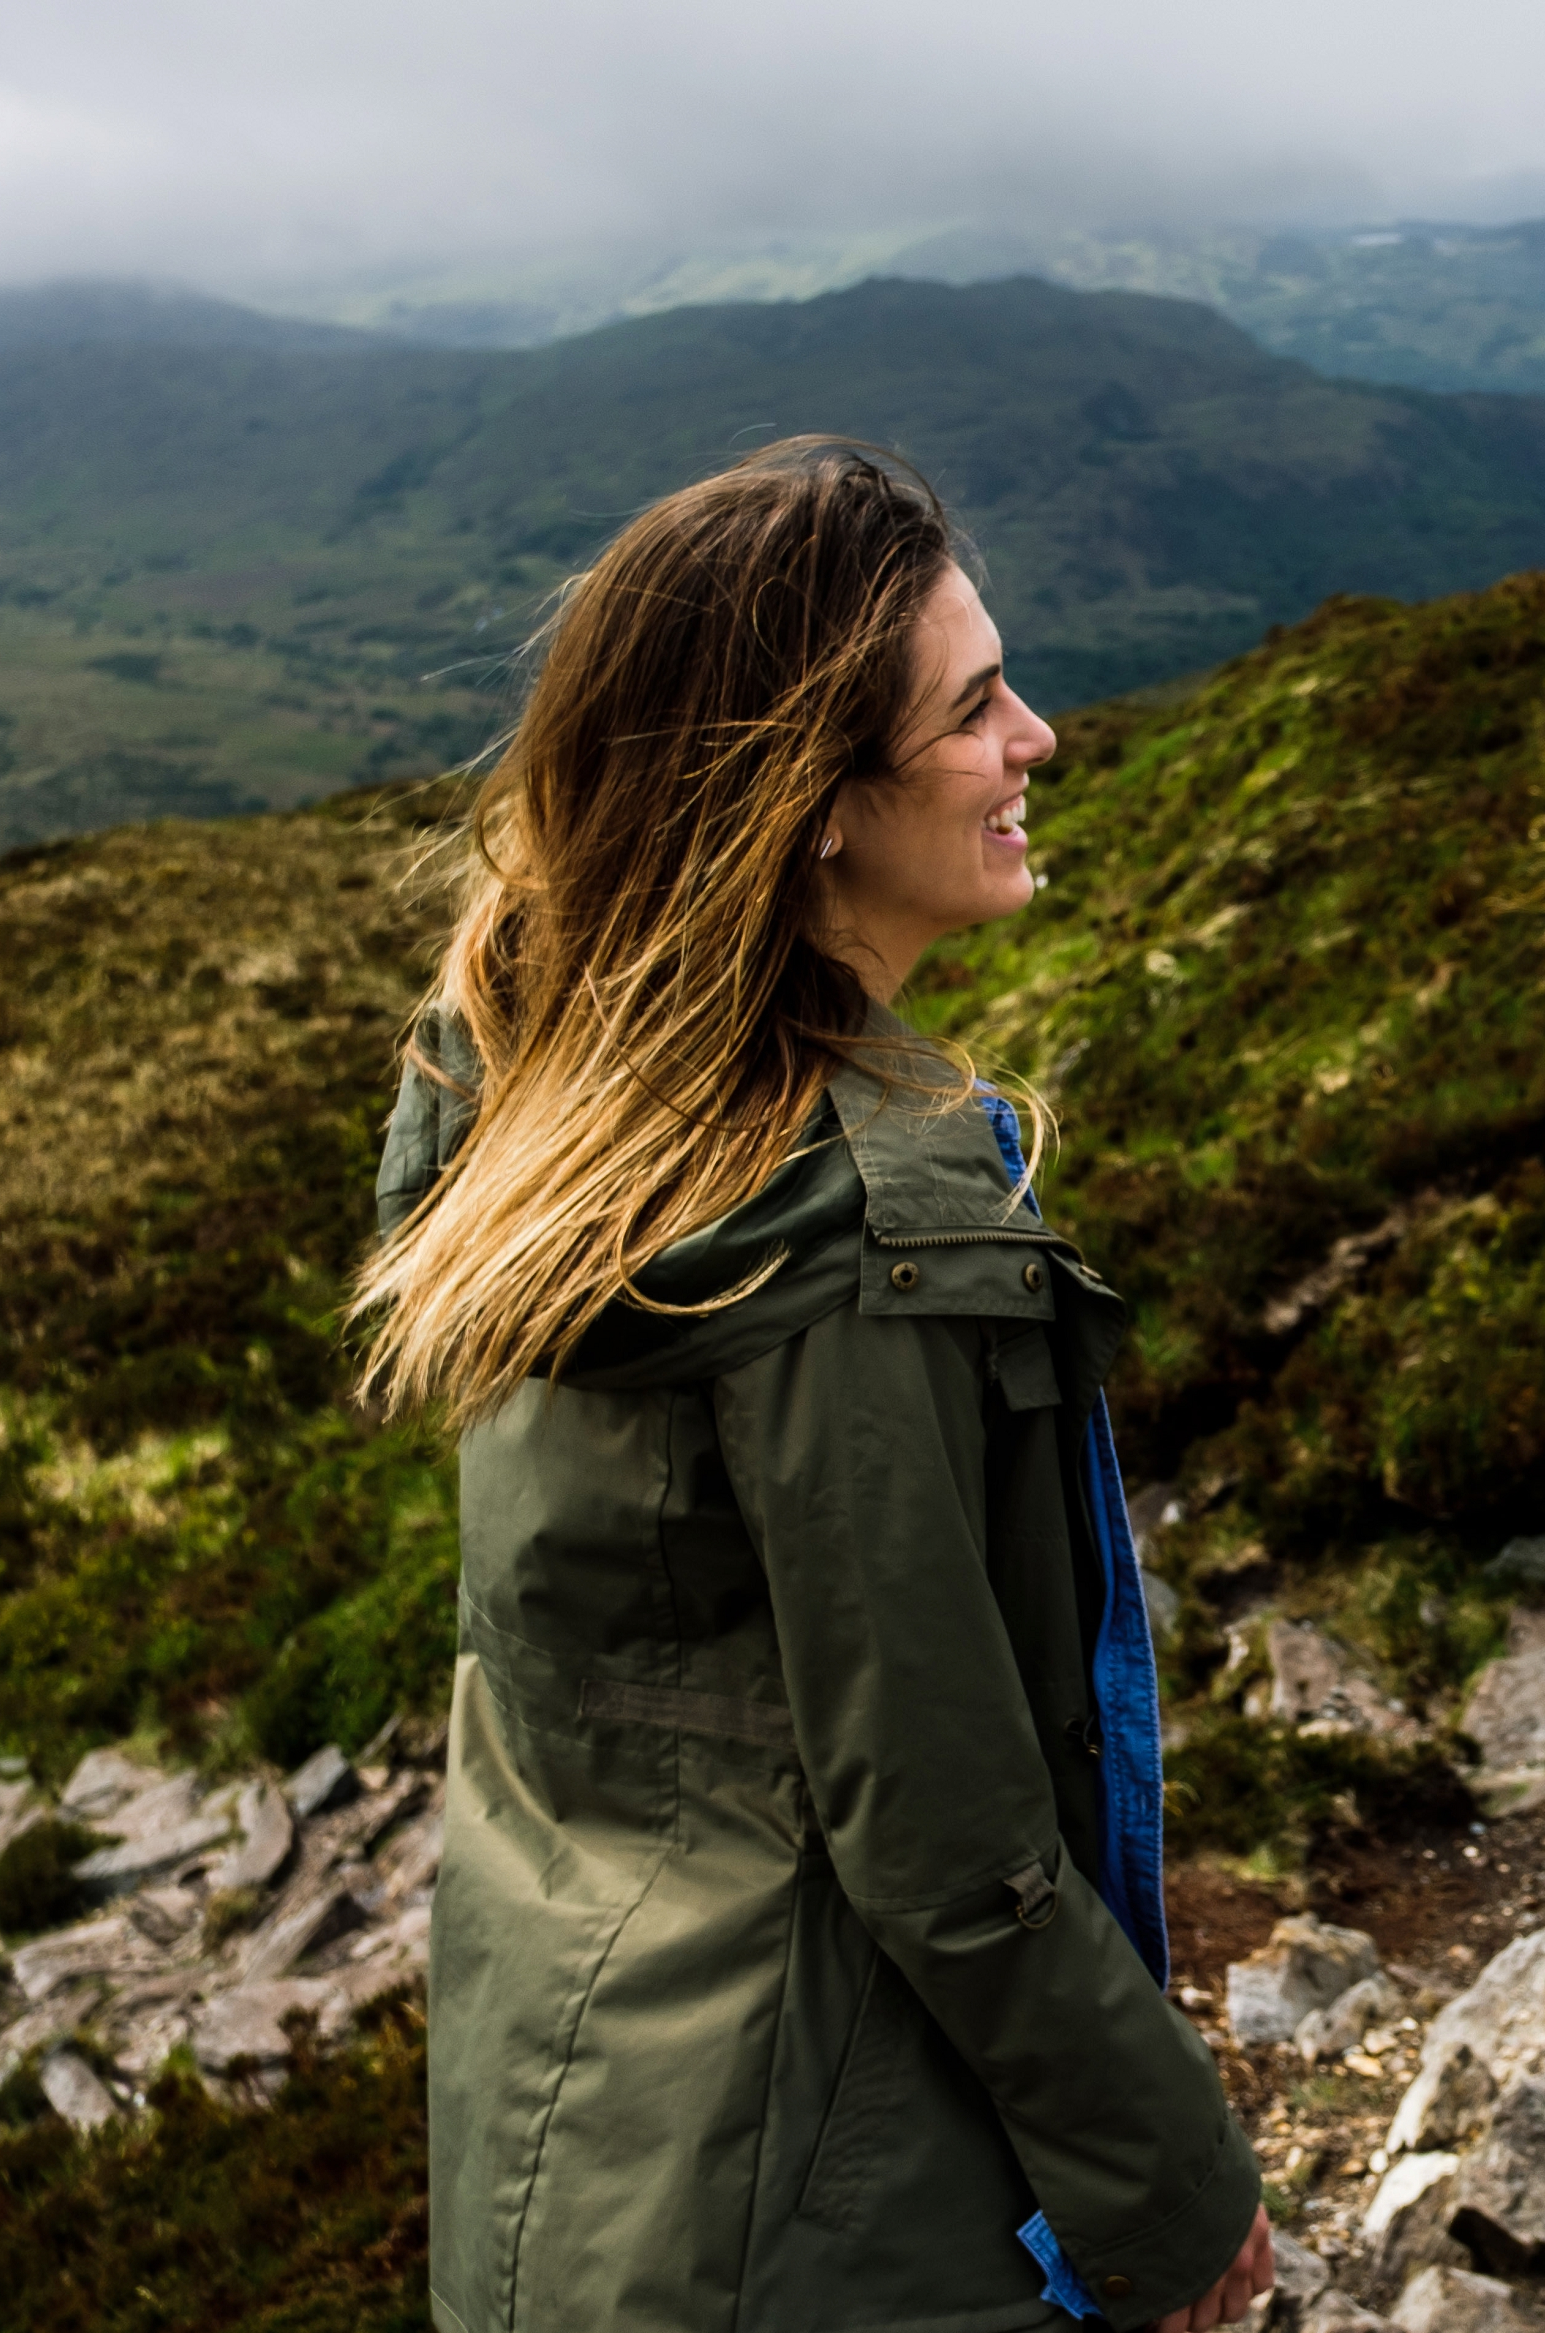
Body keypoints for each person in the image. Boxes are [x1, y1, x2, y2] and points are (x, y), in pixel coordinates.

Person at [356, 439, 1272, 2333]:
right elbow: (947, 1828)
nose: (1040, 737)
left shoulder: (539, 1099)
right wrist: (1170, 2187)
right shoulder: (849, 1238)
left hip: (578, 2143)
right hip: (824, 2209)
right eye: (972, 707)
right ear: (818, 804)